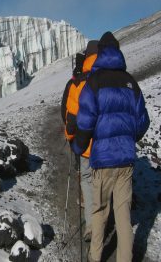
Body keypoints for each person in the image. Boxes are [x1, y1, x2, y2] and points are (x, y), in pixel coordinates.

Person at [72, 32, 150, 262]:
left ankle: (95, 257)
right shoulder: (130, 82)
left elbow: (85, 122)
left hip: (103, 160)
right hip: (125, 160)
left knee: (99, 212)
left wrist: (79, 146)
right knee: (123, 214)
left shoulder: (93, 83)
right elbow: (143, 120)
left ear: (100, 54)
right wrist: (129, 138)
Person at [60, 40, 99, 242]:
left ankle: (92, 225)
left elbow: (69, 112)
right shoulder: (106, 77)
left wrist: (69, 134)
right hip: (105, 144)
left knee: (85, 176)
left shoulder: (77, 82)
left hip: (84, 142)